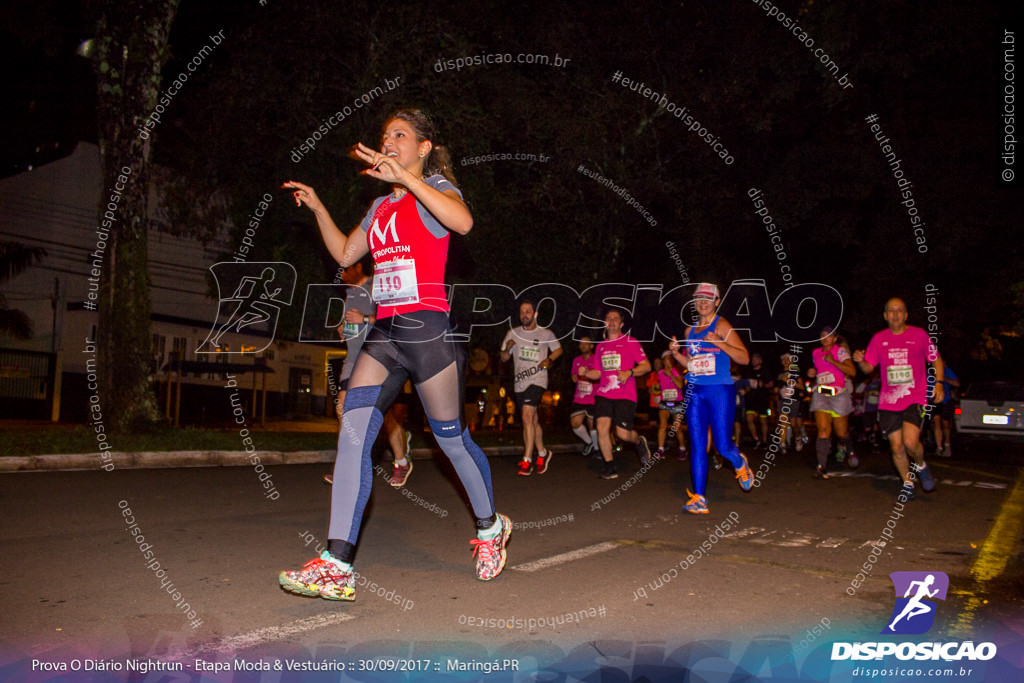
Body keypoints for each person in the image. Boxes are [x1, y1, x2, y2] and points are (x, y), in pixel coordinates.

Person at [279, 109, 510, 601]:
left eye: (400, 135)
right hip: (384, 333)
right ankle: (337, 563)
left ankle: (491, 529)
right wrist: (320, 208)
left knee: (451, 441)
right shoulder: (380, 208)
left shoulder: (439, 189)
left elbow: (463, 223)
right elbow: (345, 255)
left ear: (423, 148)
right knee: (354, 433)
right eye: (385, 135)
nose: (388, 141)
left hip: (428, 332)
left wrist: (408, 178)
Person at [324, 260, 412, 487]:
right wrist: (344, 327)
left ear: (359, 267)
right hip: (352, 359)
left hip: (377, 360)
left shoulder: (377, 286)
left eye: (345, 270)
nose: (342, 275)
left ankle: (401, 461)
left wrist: (363, 319)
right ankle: (344, 467)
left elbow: (394, 320)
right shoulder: (349, 295)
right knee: (342, 409)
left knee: (382, 415)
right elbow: (351, 323)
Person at [669, 282, 754, 514]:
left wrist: (719, 342)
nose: (703, 302)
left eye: (708, 299)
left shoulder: (722, 325)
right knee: (698, 445)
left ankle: (739, 463)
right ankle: (699, 497)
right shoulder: (690, 331)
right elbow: (692, 364)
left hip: (720, 390)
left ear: (717, 302)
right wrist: (677, 354)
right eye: (699, 299)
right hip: (695, 391)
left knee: (723, 446)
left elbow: (745, 358)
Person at [854, 297, 944, 501]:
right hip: (888, 401)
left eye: (899, 310)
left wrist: (938, 383)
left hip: (914, 397)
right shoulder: (878, 339)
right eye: (891, 311)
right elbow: (868, 367)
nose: (895, 314)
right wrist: (860, 361)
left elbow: (936, 359)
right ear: (885, 315)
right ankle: (908, 483)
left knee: (911, 442)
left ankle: (921, 466)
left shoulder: (919, 335)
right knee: (896, 447)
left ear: (906, 315)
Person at [579, 309, 651, 479]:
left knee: (622, 434)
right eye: (608, 318)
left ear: (621, 324)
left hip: (625, 395)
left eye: (615, 319)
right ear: (605, 323)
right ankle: (610, 467)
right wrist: (587, 373)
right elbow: (598, 372)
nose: (611, 321)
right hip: (604, 393)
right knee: (602, 428)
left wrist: (629, 372)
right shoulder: (601, 347)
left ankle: (639, 441)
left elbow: (646, 366)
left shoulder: (630, 342)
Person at [500, 299, 562, 475]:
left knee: (527, 416)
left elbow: (558, 349)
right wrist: (507, 349)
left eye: (527, 312)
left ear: (535, 314)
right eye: (521, 312)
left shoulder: (546, 334)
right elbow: (504, 357)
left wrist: (549, 359)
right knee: (533, 421)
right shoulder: (512, 333)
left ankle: (527, 460)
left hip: (538, 380)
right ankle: (543, 453)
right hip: (520, 382)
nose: (524, 315)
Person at [809, 328, 858, 478]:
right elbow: (820, 370)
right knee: (823, 430)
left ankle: (849, 450)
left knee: (841, 432)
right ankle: (821, 466)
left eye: (828, 336)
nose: (825, 338)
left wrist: (833, 361)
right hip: (821, 392)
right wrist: (812, 373)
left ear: (835, 338)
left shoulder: (840, 351)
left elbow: (852, 371)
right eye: (822, 335)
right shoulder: (816, 353)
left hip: (838, 393)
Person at [569, 336, 599, 456]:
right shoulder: (576, 360)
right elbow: (573, 375)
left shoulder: (597, 359)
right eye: (581, 344)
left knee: (592, 424)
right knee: (575, 423)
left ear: (591, 346)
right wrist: (574, 378)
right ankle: (589, 442)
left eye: (586, 344)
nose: (583, 346)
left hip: (593, 398)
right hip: (579, 397)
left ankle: (597, 449)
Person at [654, 351, 686, 459]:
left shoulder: (676, 371)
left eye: (671, 359)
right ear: (664, 361)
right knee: (662, 425)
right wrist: (658, 387)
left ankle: (682, 448)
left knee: (677, 428)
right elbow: (661, 385)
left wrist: (671, 375)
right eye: (667, 359)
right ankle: (660, 450)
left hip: (677, 404)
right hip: (665, 403)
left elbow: (680, 385)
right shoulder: (660, 373)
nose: (670, 361)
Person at [743, 352, 774, 449]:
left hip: (762, 398)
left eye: (756, 359)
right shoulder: (749, 372)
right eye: (752, 359)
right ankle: (756, 439)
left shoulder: (765, 371)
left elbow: (771, 384)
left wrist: (763, 385)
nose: (753, 361)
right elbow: (745, 384)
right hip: (751, 398)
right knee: (749, 419)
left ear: (760, 361)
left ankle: (764, 441)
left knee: (763, 420)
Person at [932, 366, 960, 457]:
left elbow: (957, 383)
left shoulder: (946, 370)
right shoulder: (928, 370)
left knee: (945, 423)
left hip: (945, 399)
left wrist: (943, 379)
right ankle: (939, 447)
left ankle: (947, 445)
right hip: (932, 399)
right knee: (936, 422)